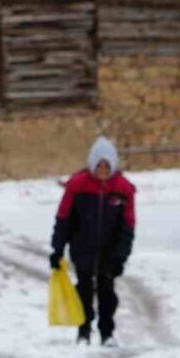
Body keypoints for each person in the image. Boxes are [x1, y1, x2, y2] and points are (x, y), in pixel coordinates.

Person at [49, 136, 136, 346]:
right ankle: (84, 331)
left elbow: (128, 226)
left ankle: (107, 333)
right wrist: (58, 248)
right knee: (84, 291)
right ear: (92, 164)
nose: (103, 170)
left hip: (110, 252)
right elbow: (63, 219)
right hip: (82, 250)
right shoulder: (77, 186)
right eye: (99, 165)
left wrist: (121, 256)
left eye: (107, 165)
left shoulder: (123, 189)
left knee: (107, 293)